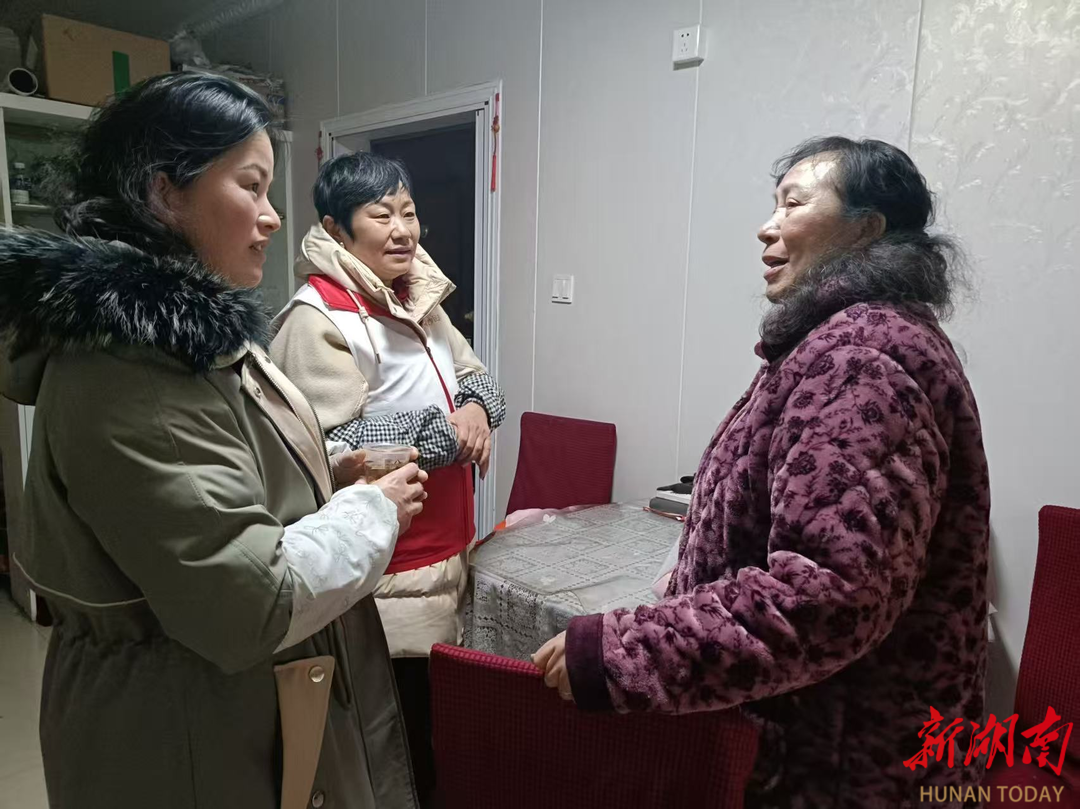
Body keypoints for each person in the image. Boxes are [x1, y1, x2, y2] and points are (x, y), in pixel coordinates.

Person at [0, 74, 427, 809]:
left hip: (222, 700)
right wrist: (371, 510)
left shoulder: (191, 334)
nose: (272, 216)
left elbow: (215, 478)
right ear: (165, 193)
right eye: (251, 187)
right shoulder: (133, 364)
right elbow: (249, 601)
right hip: (182, 724)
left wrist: (322, 472)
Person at [535, 137, 990, 809]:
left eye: (793, 204)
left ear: (865, 229)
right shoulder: (846, 338)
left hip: (843, 766)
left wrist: (626, 649)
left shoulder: (859, 358)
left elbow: (828, 595)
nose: (766, 226)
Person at [270, 151, 506, 801]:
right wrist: (451, 434)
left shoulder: (418, 299)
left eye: (409, 212)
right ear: (336, 229)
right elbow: (325, 444)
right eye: (382, 215)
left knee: (434, 730)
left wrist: (477, 407)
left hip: (446, 552)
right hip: (383, 571)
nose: (403, 230)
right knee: (394, 744)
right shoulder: (317, 316)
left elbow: (478, 379)